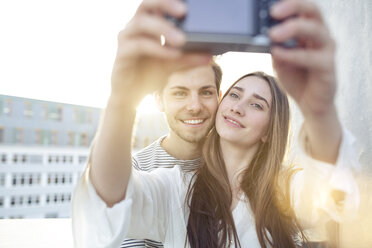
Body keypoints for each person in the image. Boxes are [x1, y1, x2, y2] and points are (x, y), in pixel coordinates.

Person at [72, 0, 360, 247]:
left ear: (269, 132)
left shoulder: (286, 189)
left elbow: (334, 193)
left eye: (257, 104)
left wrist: (320, 112)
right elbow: (108, 203)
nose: (238, 106)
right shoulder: (178, 188)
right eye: (235, 95)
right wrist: (122, 100)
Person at [122, 61, 222, 248]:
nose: (194, 106)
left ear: (219, 98)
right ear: (159, 100)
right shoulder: (137, 170)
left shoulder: (233, 163)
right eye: (180, 93)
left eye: (206, 92)